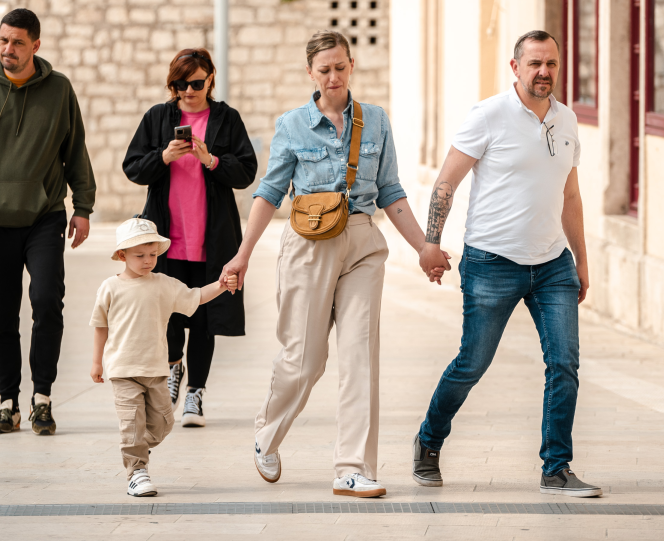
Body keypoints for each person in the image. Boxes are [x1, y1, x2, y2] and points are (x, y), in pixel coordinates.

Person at [220, 30, 443, 499]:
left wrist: (424, 246)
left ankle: (352, 467)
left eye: (341, 66)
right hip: (308, 243)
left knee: (360, 355)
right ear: (311, 73)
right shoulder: (292, 125)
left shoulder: (375, 121)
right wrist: (243, 254)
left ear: (352, 65)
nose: (334, 76)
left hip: (363, 244)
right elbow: (268, 193)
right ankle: (268, 432)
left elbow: (392, 191)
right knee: (304, 359)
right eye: (325, 70)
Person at [412, 30, 602, 497]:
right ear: (515, 67)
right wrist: (430, 244)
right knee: (472, 363)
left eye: (551, 64)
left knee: (564, 363)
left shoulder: (567, 120)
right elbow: (445, 184)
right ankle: (429, 440)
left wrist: (580, 259)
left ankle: (556, 467)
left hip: (552, 263)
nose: (544, 72)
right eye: (535, 63)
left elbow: (571, 196)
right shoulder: (489, 115)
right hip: (492, 262)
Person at [0, 8, 96, 436]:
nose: (8, 49)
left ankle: (42, 397)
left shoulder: (59, 90)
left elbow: (75, 149)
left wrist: (83, 206)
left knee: (47, 302)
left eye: (18, 42)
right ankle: (7, 402)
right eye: (3, 40)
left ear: (36, 46)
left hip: (44, 216)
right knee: (1, 316)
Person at [122, 48, 257, 427]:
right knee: (165, 313)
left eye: (196, 83)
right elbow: (132, 166)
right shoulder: (158, 118)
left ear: (210, 79)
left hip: (210, 238)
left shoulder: (226, 119)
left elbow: (246, 171)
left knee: (203, 316)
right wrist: (163, 157)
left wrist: (210, 160)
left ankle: (195, 393)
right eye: (180, 85)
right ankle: (173, 367)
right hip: (164, 239)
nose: (188, 91)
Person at [90, 218, 237, 497]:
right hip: (123, 371)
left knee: (163, 423)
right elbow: (100, 325)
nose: (148, 261)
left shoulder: (163, 284)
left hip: (156, 371)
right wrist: (97, 362)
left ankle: (133, 446)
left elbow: (196, 296)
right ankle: (136, 471)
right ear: (122, 255)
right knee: (132, 423)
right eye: (140, 255)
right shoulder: (110, 287)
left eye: (153, 255)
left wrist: (219, 285)